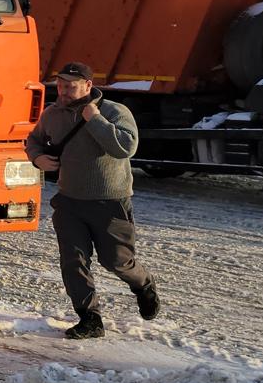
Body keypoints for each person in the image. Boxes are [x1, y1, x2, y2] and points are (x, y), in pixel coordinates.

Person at [25, 61, 161, 339]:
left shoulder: (114, 111)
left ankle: (143, 284)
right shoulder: (52, 114)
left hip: (110, 202)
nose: (63, 92)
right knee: (73, 262)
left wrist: (94, 119)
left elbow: (125, 147)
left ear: (88, 85)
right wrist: (37, 157)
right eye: (60, 85)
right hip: (69, 202)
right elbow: (34, 140)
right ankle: (90, 319)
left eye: (70, 86)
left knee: (116, 261)